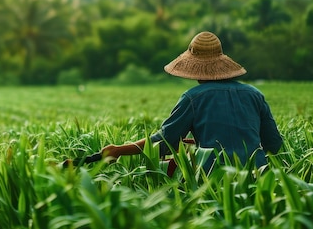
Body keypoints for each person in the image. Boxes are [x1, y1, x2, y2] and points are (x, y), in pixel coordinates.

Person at [101, 31, 283, 173]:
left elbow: (163, 142)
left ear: (193, 67)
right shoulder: (254, 94)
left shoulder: (193, 97)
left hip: (213, 178)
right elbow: (273, 144)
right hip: (258, 176)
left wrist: (117, 150)